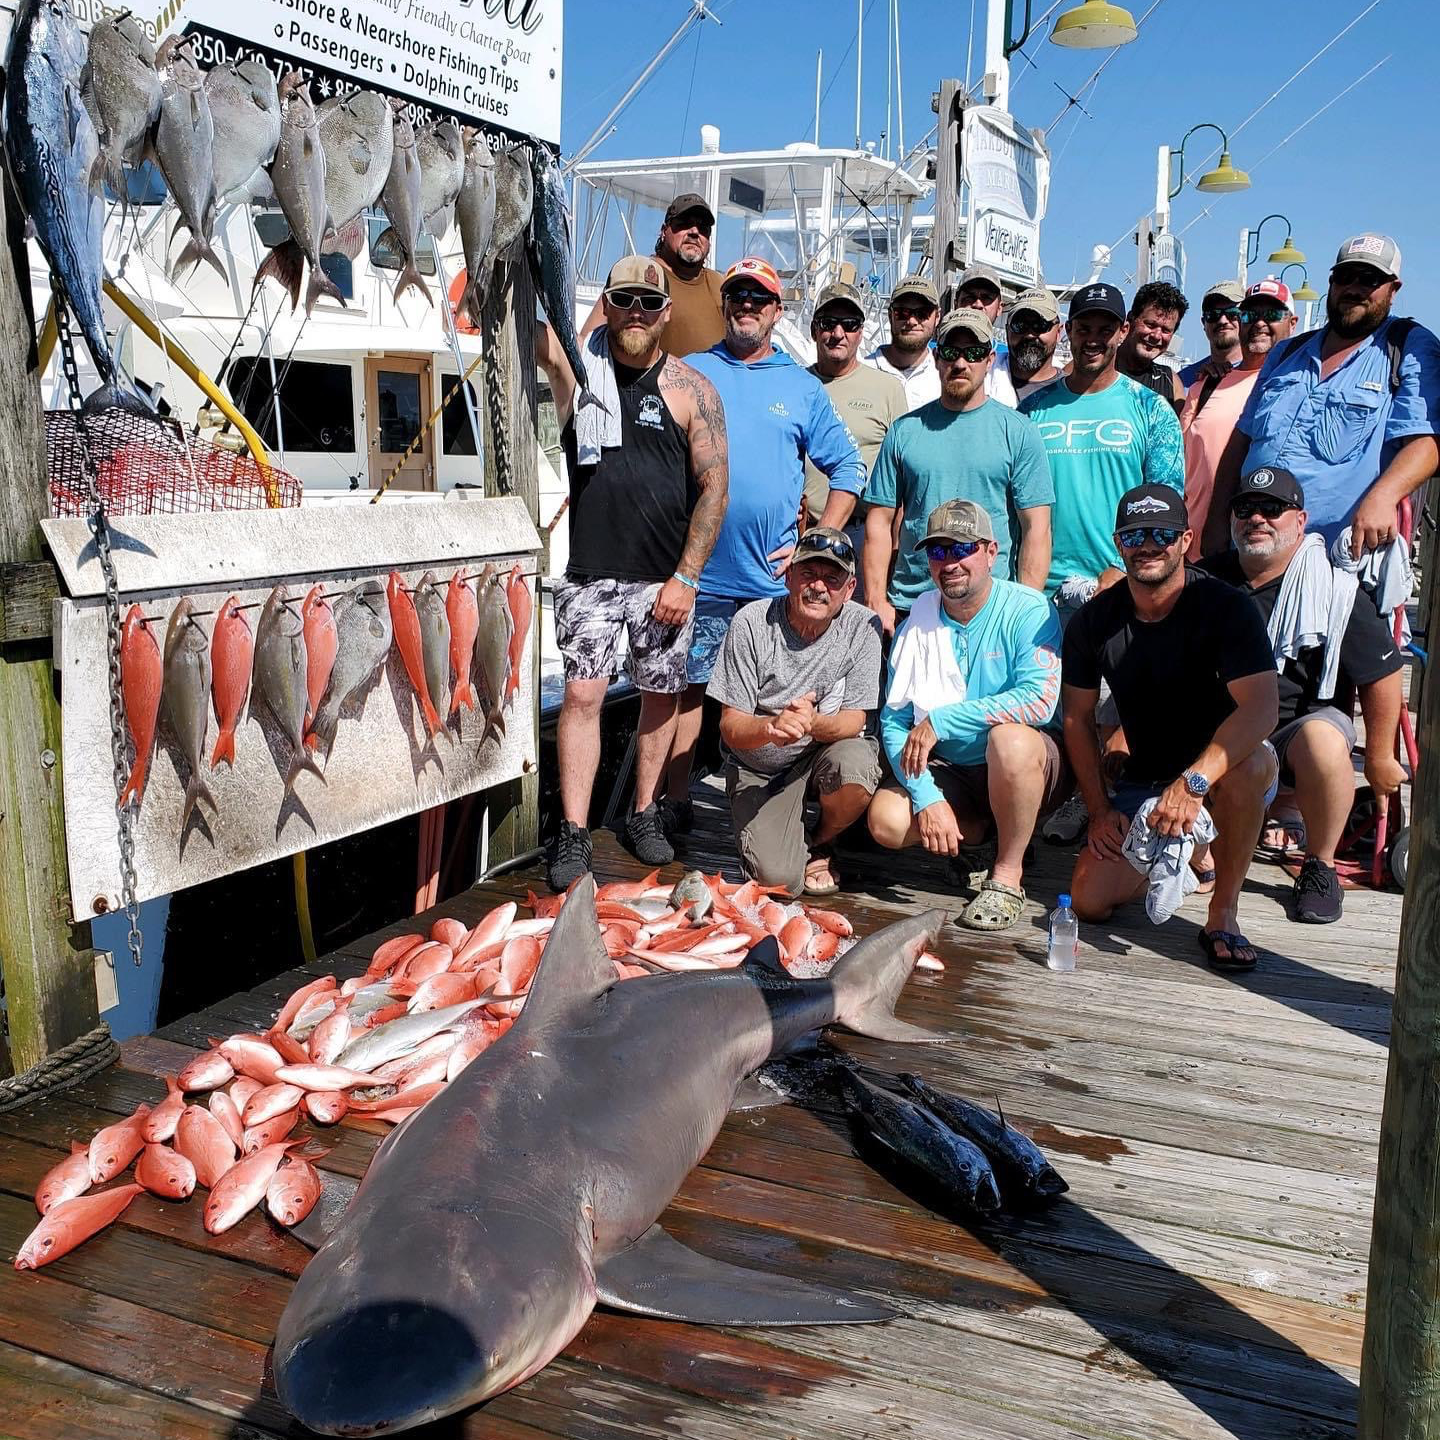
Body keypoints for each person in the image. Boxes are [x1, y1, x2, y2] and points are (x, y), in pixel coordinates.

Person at [536, 256, 730, 888]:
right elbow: (533, 337)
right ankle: (572, 829)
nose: (637, 313)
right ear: (609, 306)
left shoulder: (693, 390)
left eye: (650, 302)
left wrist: (687, 577)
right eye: (624, 300)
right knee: (583, 696)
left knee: (660, 695)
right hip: (591, 574)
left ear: (666, 312)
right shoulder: (578, 372)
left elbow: (713, 489)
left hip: (664, 581)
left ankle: (644, 811)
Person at [662, 256, 866, 835]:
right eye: (738, 295)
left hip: (767, 585)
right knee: (686, 691)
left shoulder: (801, 386)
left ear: (778, 310)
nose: (747, 305)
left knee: (773, 699)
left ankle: (773, 806)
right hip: (695, 576)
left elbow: (848, 470)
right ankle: (676, 803)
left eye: (760, 297)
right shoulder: (688, 370)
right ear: (725, 305)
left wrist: (814, 543)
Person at [1061, 485, 1280, 971]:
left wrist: (1194, 782)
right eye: (1134, 535)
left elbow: (1263, 709)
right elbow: (1075, 717)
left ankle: (1223, 910)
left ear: (1185, 539)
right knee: (1088, 903)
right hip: (1146, 776)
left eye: (1161, 533)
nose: (1148, 545)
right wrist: (1098, 809)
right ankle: (1190, 849)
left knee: (1255, 763)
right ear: (1119, 543)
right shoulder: (1094, 620)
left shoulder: (1225, 606)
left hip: (1219, 771)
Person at [1202, 468, 1405, 924]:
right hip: (1222, 727)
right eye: (1246, 508)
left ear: (1301, 520)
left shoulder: (1332, 586)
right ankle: (1195, 849)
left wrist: (1378, 757)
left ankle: (1321, 865)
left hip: (1296, 727)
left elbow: (1384, 673)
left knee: (1325, 740)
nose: (1257, 518)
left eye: (1272, 509)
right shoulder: (1203, 580)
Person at [868, 501, 1065, 931]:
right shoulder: (916, 621)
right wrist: (927, 797)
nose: (950, 563)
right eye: (937, 552)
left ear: (991, 552)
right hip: (951, 769)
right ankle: (977, 837)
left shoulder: (1029, 609)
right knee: (886, 821)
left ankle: (1008, 875)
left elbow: (1039, 701)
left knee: (1009, 741)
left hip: (1022, 765)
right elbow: (895, 721)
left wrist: (942, 720)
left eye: (962, 549)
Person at [1206, 233, 1440, 557]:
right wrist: (1216, 522)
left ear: (1393, 289)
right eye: (1345, 277)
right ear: (1332, 282)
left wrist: (1384, 496)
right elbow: (1241, 440)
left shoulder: (1408, 345)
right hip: (1251, 552)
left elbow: (1425, 441)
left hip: (1333, 562)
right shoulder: (1288, 352)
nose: (1354, 288)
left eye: (1369, 279)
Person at [708, 527, 883, 897]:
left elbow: (856, 720)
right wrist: (772, 726)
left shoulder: (864, 626)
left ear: (850, 589)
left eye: (832, 579)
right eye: (808, 574)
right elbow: (730, 725)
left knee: (857, 766)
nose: (819, 587)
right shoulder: (751, 623)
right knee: (781, 883)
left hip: (820, 753)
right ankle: (787, 838)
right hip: (759, 765)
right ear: (789, 577)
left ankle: (821, 840)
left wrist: (811, 723)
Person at [863, 307, 1053, 638]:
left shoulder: (1018, 430)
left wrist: (1024, 606)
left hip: (992, 610)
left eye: (974, 352)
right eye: (951, 352)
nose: (961, 363)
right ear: (937, 357)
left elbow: (1036, 527)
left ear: (990, 359)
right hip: (913, 605)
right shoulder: (904, 431)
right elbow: (879, 522)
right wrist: (876, 599)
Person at [1019, 283, 1185, 599]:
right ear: (1068, 331)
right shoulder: (1031, 409)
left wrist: (1120, 569)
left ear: (1123, 331)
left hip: (1119, 587)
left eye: (1105, 330)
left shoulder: (1153, 409)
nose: (1093, 340)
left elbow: (1168, 502)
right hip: (1039, 590)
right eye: (1084, 329)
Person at [803, 280, 907, 602]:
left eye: (849, 324)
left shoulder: (888, 389)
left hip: (864, 535)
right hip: (803, 532)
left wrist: (893, 548)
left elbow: (902, 478)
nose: (838, 333)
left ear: (861, 331)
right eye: (828, 323)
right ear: (813, 329)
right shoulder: (796, 384)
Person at [1181, 280, 1297, 559]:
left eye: (1271, 315)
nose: (1258, 322)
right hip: (1192, 552)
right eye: (1247, 315)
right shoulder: (1204, 385)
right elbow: (1180, 468)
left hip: (1255, 552)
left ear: (1292, 323)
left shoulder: (1294, 387)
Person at [579, 193, 724, 358]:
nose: (694, 232)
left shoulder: (722, 284)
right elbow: (587, 344)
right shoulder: (636, 275)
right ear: (664, 231)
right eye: (684, 224)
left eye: (703, 228)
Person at [867, 275, 942, 411]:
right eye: (902, 313)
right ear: (890, 316)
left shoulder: (946, 377)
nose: (912, 321)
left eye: (923, 313)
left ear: (937, 317)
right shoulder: (864, 370)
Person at [1115, 280, 1187, 408]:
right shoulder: (1098, 367)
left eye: (1166, 330)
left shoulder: (1171, 382)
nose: (1156, 336)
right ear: (1131, 319)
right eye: (1150, 325)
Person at [955, 262, 1018, 408]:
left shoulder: (1011, 359)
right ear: (955, 303)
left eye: (986, 298)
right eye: (969, 297)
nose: (978, 304)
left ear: (999, 308)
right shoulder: (933, 354)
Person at [1178, 280, 1244, 390]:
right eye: (1213, 315)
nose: (1223, 321)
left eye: (1232, 313)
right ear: (1204, 323)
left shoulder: (1262, 374)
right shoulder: (1183, 382)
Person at [1006, 288, 1063, 401]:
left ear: (1058, 332)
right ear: (1007, 330)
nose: (1029, 335)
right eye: (1019, 325)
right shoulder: (982, 382)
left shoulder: (1074, 391)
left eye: (1040, 325)